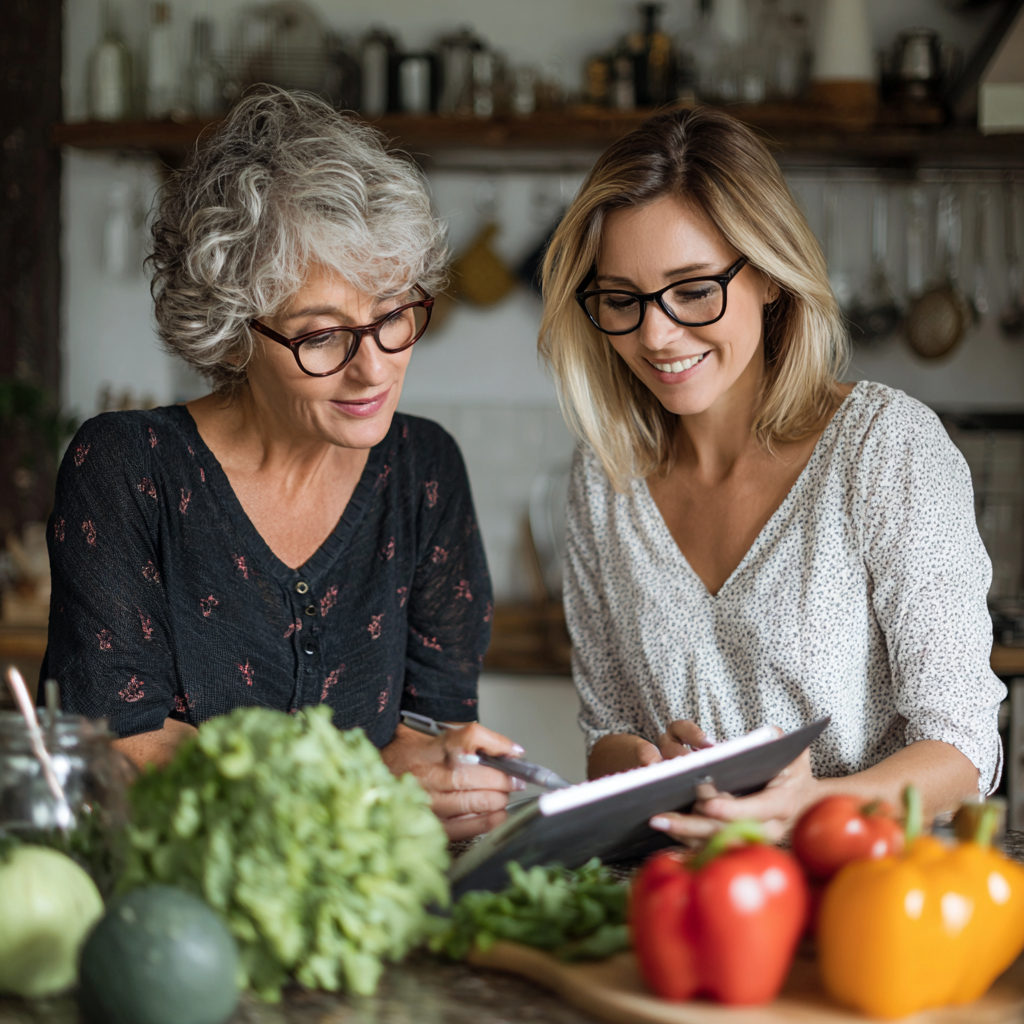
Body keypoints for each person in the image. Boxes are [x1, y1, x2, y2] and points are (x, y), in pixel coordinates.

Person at [45, 88, 519, 840]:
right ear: (233, 333)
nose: (373, 372)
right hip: (171, 913)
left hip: (367, 917)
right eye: (322, 336)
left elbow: (431, 733)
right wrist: (364, 786)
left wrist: (452, 779)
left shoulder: (424, 470)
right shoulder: (127, 469)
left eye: (394, 316)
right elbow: (124, 747)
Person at [539, 107, 1004, 843]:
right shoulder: (606, 478)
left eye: (693, 289)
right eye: (622, 300)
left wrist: (815, 803)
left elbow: (964, 751)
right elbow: (608, 734)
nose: (655, 335)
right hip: (685, 891)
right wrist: (647, 762)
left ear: (769, 276)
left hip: (870, 894)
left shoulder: (883, 449)